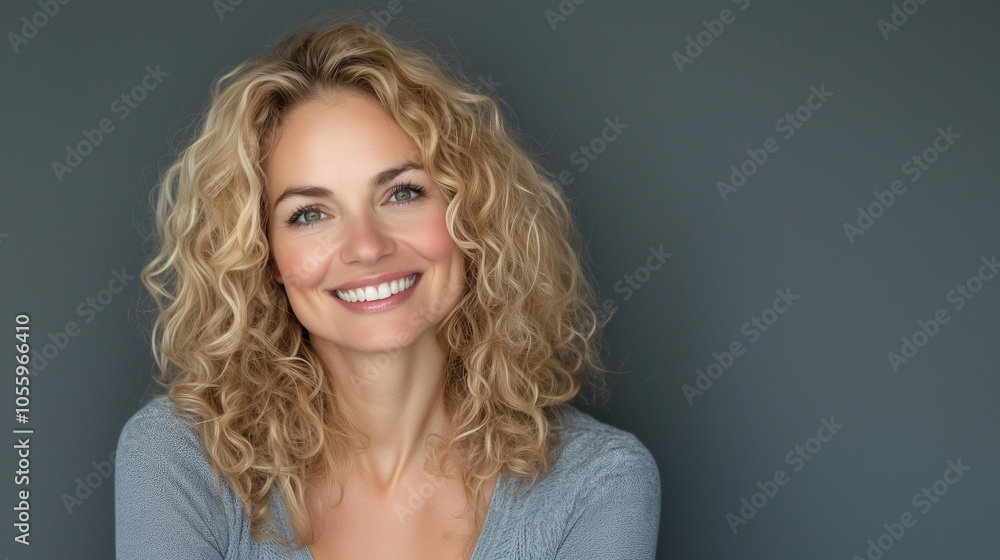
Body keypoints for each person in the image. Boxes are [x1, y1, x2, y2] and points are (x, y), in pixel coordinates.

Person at [115, 12, 660, 560]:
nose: (367, 246)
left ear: (468, 214)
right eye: (308, 214)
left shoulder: (596, 483)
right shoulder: (180, 460)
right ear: (265, 254)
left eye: (402, 193)